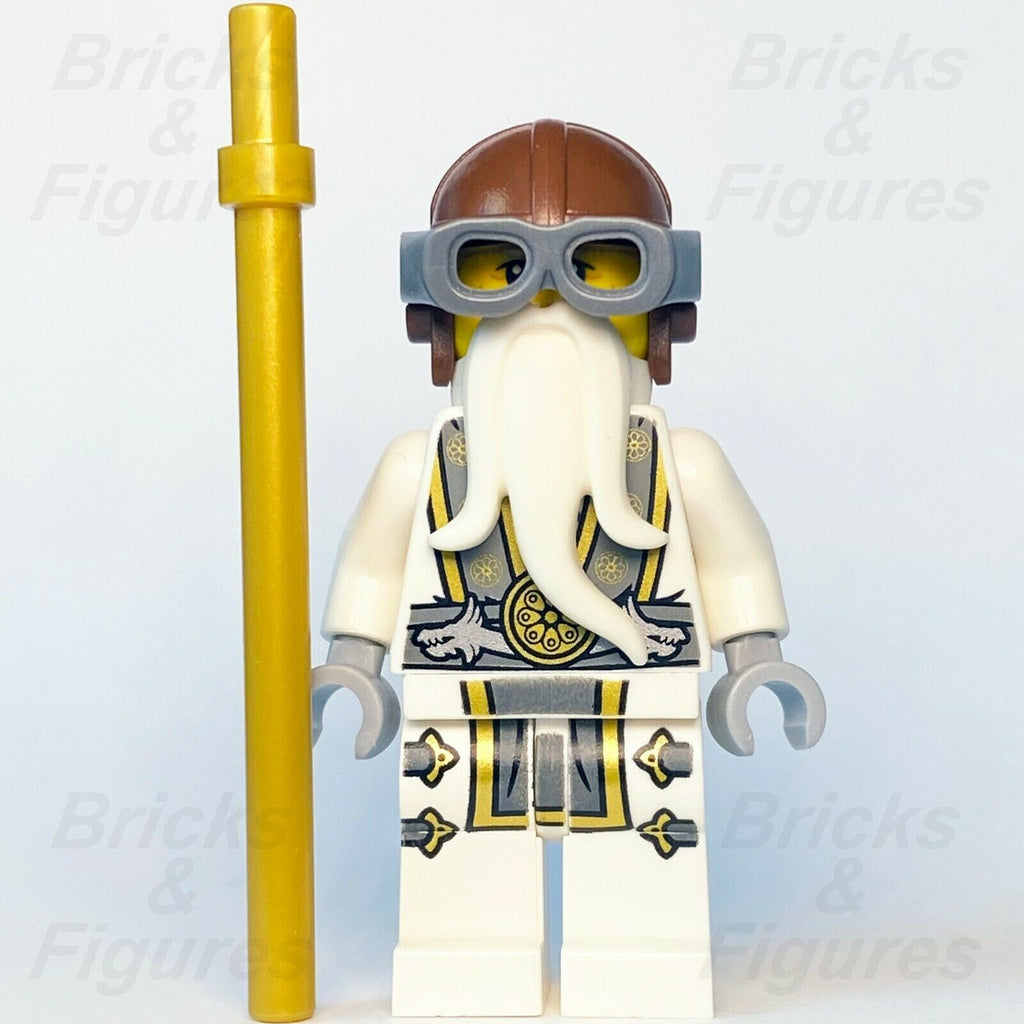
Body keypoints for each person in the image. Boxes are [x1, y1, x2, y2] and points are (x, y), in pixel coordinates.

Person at [313, 119, 825, 1018]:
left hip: (638, 720)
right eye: (494, 272)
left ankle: (641, 968)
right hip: (464, 721)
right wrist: (354, 664)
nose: (547, 312)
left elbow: (735, 562)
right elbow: (375, 569)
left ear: (663, 318)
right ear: (439, 321)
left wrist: (754, 660)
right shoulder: (419, 468)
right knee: (460, 877)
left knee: (643, 877)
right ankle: (465, 969)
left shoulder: (681, 466)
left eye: (602, 271)